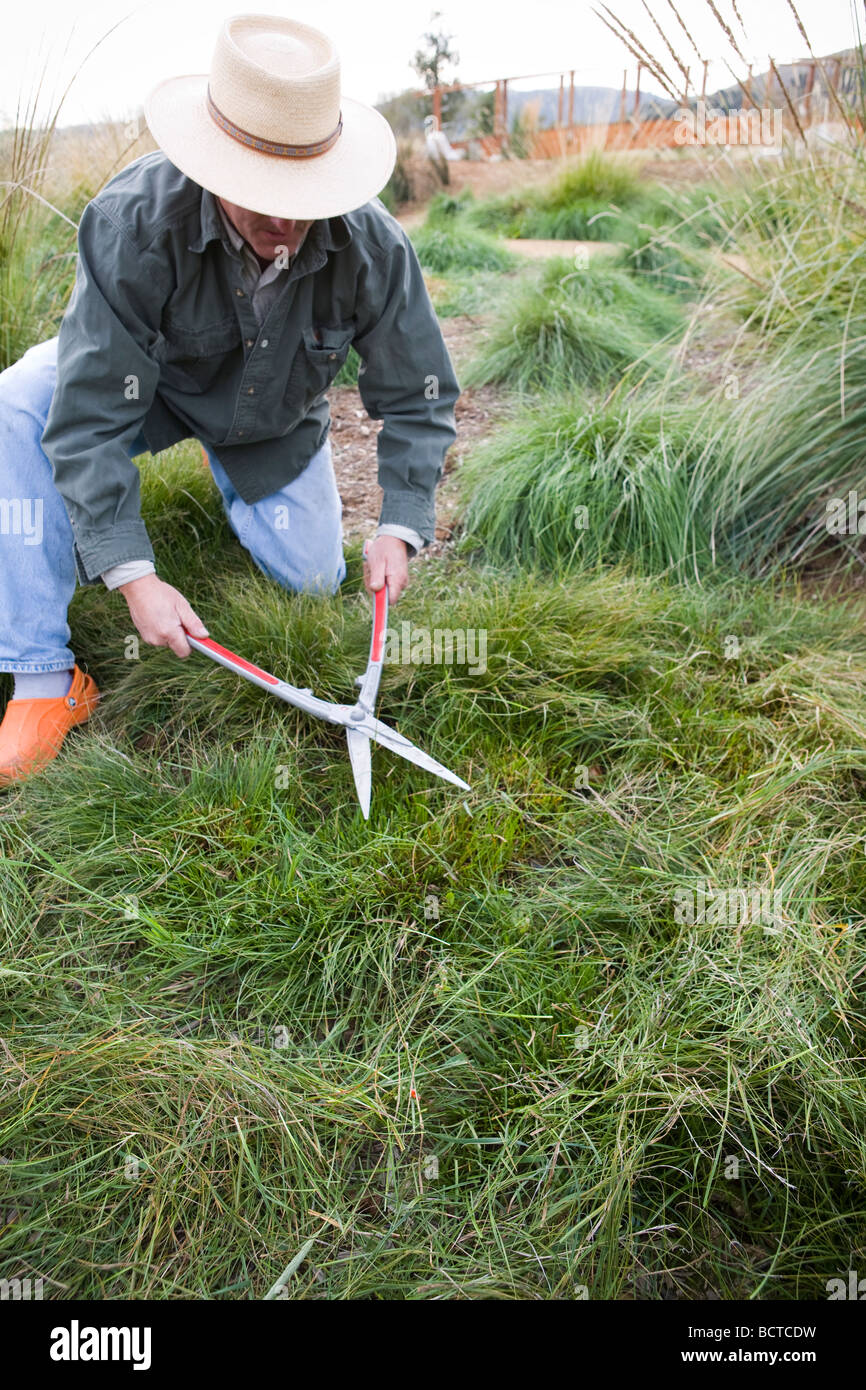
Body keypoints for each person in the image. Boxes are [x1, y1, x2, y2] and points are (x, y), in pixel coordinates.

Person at [0, 13, 459, 783]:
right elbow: (87, 412)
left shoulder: (375, 247)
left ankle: (187, 507)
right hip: (143, 390)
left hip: (271, 422)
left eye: (302, 195)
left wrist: (400, 522)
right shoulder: (133, 221)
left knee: (313, 580)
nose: (283, 221)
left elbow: (419, 393)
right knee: (17, 404)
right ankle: (44, 677)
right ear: (212, 167)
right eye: (259, 196)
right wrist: (133, 575)